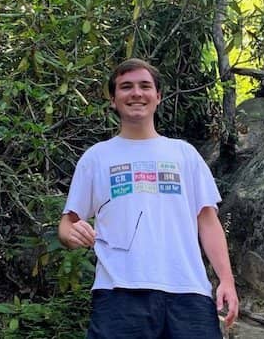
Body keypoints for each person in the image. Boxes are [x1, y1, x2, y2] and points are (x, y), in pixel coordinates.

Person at [58, 58, 239, 338]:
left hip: (188, 291)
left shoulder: (184, 154)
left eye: (145, 86)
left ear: (158, 96)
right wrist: (72, 234)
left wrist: (226, 279)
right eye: (126, 87)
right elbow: (67, 224)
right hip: (118, 293)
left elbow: (208, 222)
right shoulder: (96, 157)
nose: (136, 93)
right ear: (113, 99)